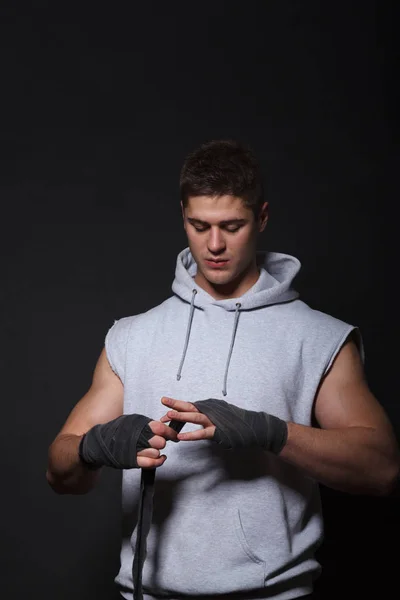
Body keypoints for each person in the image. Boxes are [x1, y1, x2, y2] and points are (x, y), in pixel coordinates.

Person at [46, 139, 400, 600]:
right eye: (200, 226)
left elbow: (382, 469)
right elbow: (60, 473)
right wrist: (94, 446)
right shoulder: (132, 336)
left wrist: (270, 432)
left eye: (232, 226)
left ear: (263, 218)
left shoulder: (319, 337)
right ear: (183, 218)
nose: (214, 245)